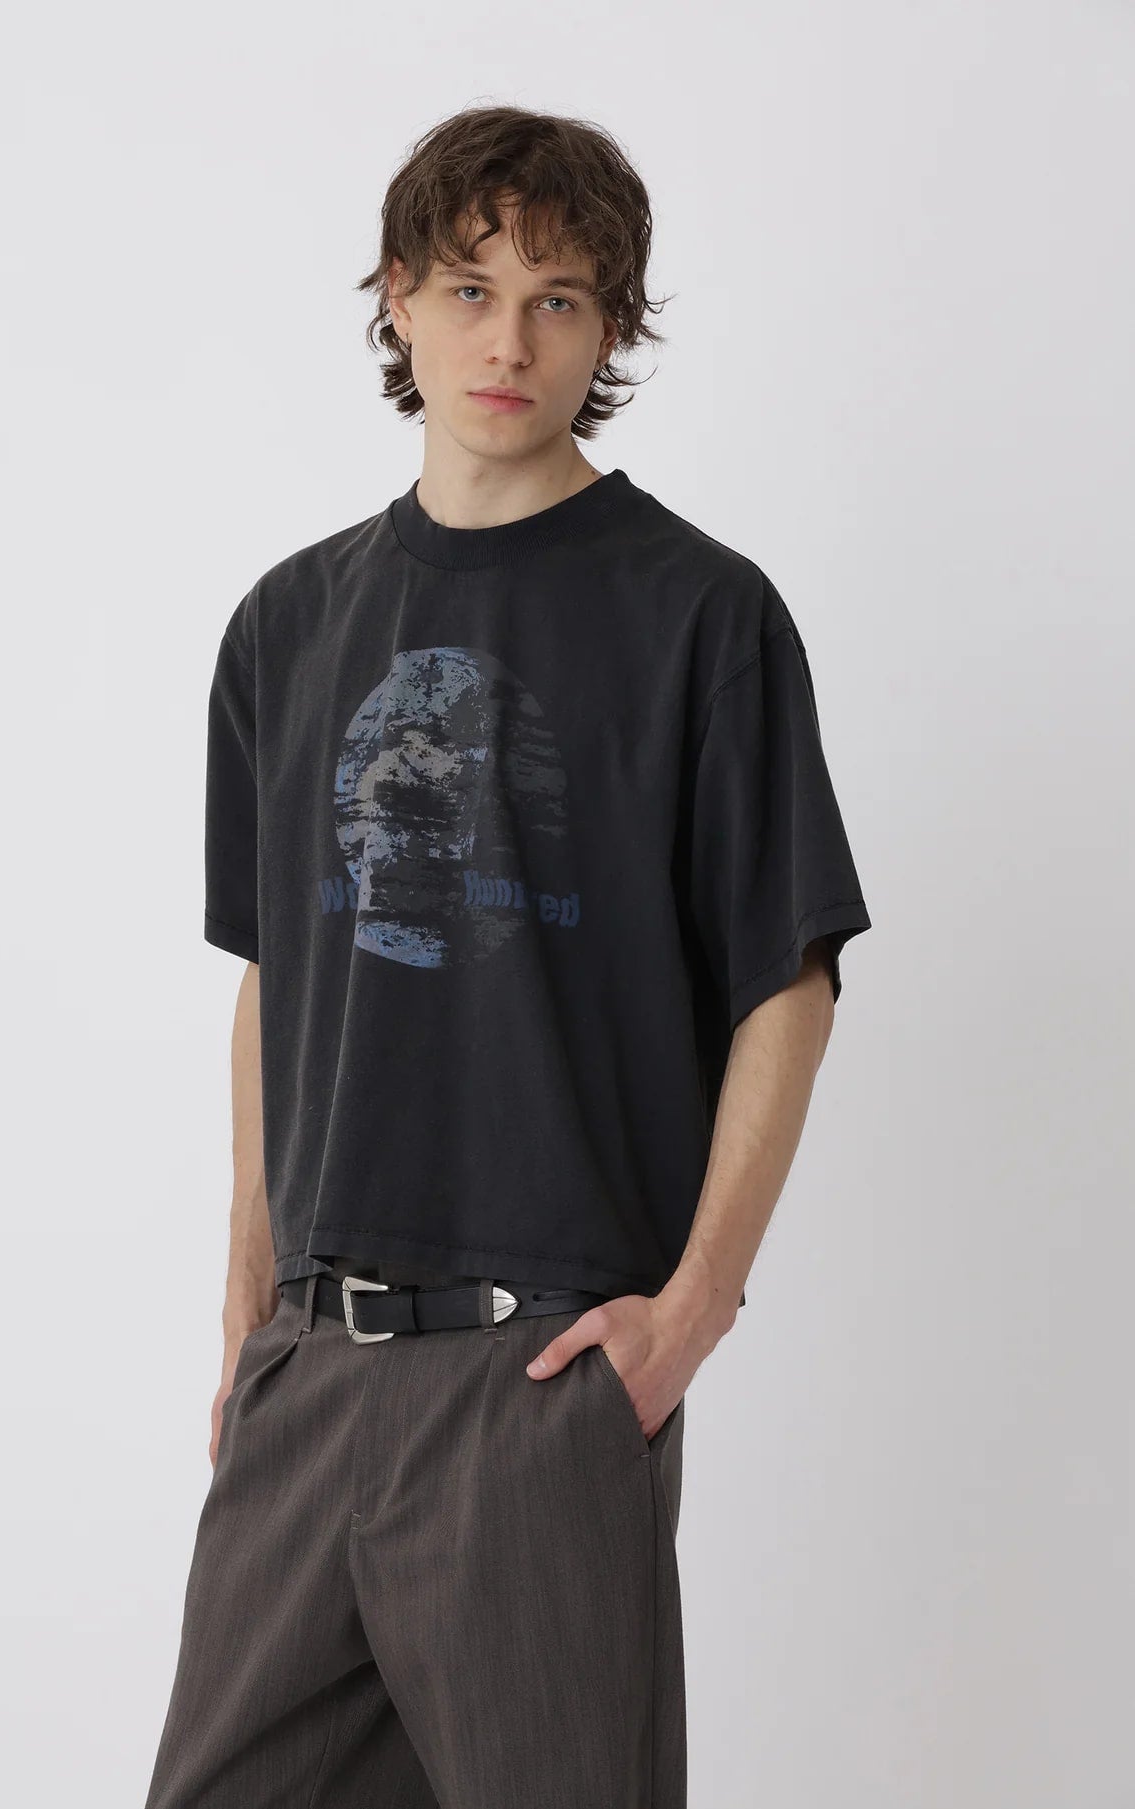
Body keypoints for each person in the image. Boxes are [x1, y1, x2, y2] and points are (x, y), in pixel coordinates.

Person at [142, 103, 873, 1809]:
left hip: (539, 1376)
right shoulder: (285, 625)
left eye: (559, 299)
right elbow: (276, 977)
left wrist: (690, 1314)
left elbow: (788, 977)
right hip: (307, 1369)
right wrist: (247, 1312)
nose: (509, 340)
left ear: (610, 328)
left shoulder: (702, 617)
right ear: (397, 298)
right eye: (470, 289)